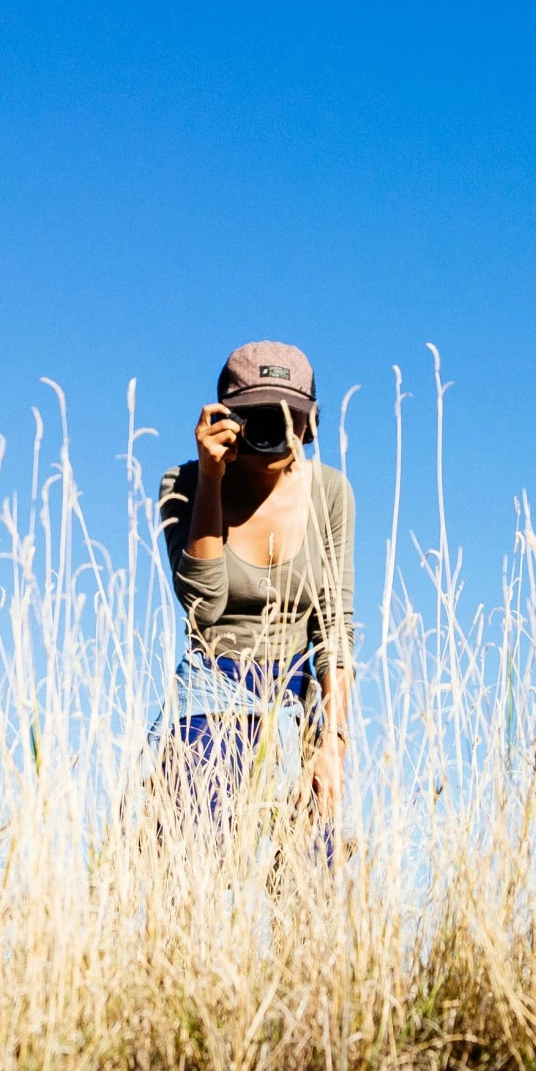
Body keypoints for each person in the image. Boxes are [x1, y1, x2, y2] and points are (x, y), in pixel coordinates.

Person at [157, 340, 354, 843]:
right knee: (188, 862)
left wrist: (332, 743)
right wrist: (210, 481)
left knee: (310, 882)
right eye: (258, 417)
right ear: (226, 418)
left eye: (290, 418)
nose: (275, 432)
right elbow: (204, 607)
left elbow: (334, 628)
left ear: (310, 424)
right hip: (211, 682)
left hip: (296, 692)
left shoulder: (330, 493)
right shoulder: (183, 483)